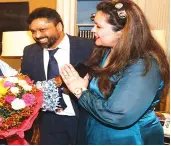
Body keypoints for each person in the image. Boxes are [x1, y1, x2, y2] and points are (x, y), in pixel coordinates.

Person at [60, 0, 170, 145]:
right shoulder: (104, 51)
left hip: (129, 139)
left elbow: (119, 115)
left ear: (122, 32)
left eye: (98, 26)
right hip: (96, 134)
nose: (93, 30)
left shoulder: (143, 64)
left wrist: (80, 91)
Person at [21, 7, 94, 145]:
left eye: (42, 30)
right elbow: (27, 85)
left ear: (59, 26)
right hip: (48, 122)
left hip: (82, 117)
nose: (37, 35)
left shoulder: (87, 47)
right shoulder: (30, 52)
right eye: (33, 31)